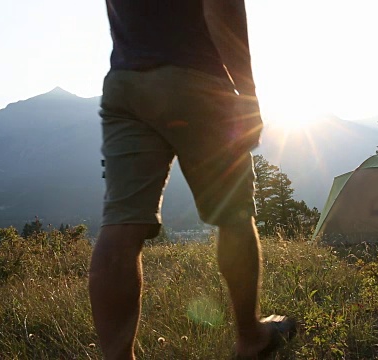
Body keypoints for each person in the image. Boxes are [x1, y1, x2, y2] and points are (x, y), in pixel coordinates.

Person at [88, 1, 296, 359]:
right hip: (198, 79)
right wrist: (247, 95)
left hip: (126, 82)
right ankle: (251, 338)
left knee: (121, 224)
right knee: (233, 215)